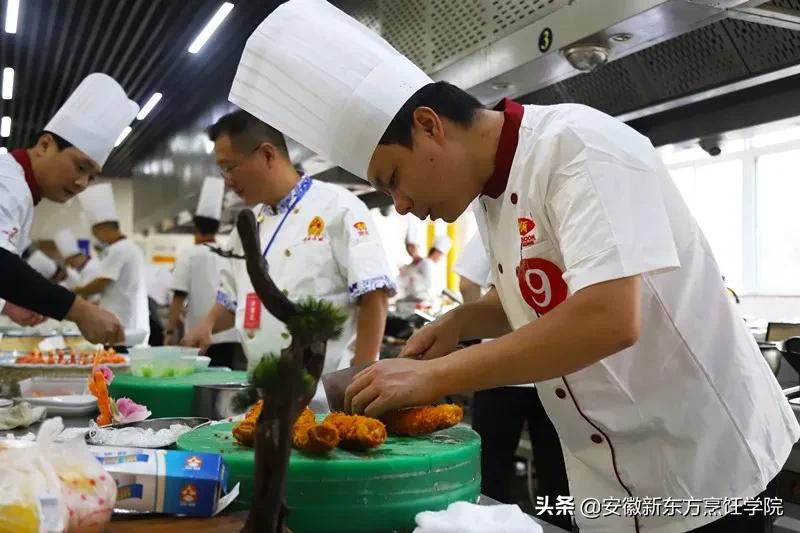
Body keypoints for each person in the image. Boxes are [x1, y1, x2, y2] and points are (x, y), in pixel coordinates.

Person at [228, 1, 799, 531]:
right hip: (618, 485)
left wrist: (436, 375)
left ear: (429, 125)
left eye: (392, 179)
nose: (398, 205)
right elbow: (543, 291)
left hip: (711, 469)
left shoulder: (579, 148)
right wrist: (462, 321)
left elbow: (609, 316)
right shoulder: (490, 195)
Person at [182, 110, 395, 412]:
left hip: (326, 400)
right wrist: (207, 324)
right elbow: (232, 302)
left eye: (229, 168)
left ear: (267, 154)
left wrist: (359, 382)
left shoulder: (339, 208)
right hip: (262, 393)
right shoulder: (247, 226)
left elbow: (374, 297)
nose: (228, 182)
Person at [0, 73, 137, 343]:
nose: (81, 182)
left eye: (92, 176)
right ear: (45, 145)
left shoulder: (21, 190)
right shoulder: (8, 183)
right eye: (80, 166)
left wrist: (6, 304)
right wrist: (80, 311)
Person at [455, 233, 571, 531]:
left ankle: (486, 526)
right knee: (557, 472)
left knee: (490, 470)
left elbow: (467, 281)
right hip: (555, 370)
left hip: (501, 370)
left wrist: (485, 329)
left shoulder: (498, 222)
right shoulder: (557, 225)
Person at [166, 177, 242, 368]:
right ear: (218, 227)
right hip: (232, 335)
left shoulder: (190, 255)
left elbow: (178, 296)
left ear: (196, 228)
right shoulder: (228, 252)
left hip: (199, 338)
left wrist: (169, 332)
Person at [73, 183, 150, 345]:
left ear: (102, 228)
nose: (96, 237)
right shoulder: (129, 246)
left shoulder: (118, 249)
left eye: (95, 232)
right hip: (129, 320)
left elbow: (101, 283)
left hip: (122, 322)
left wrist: (74, 292)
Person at [397, 235, 450, 304]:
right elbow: (427, 286)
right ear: (436, 252)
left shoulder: (430, 264)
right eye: (441, 255)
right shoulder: (427, 263)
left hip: (422, 301)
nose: (440, 258)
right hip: (420, 301)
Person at [54, 228, 101, 295]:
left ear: (78, 257)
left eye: (71, 263)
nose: (71, 267)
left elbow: (92, 293)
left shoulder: (93, 267)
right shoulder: (84, 269)